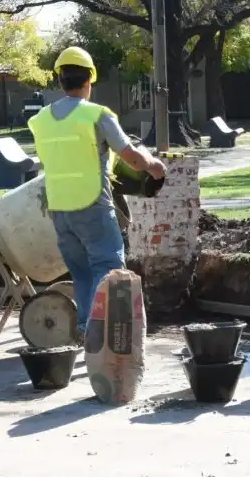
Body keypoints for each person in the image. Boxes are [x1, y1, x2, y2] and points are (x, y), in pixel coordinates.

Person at [28, 46, 167, 340]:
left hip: (60, 209)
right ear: (90, 78)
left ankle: (84, 329)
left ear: (58, 80)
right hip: (92, 205)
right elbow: (130, 156)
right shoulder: (97, 115)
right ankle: (98, 339)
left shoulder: (40, 120)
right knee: (108, 272)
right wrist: (155, 167)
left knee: (82, 273)